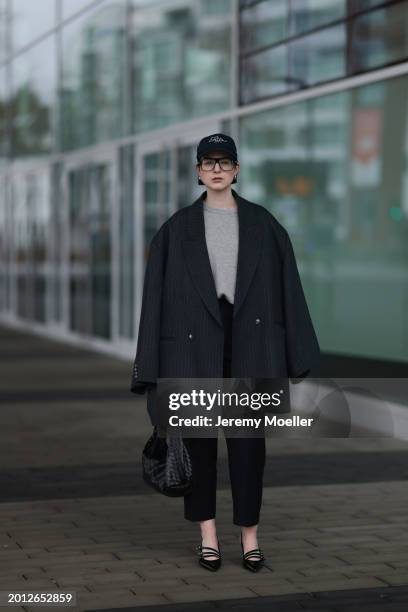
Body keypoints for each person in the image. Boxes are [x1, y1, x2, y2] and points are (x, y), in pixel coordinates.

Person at [130, 133, 321, 573]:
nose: (216, 169)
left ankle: (250, 538)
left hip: (251, 344)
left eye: (225, 162)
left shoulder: (265, 224)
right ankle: (208, 537)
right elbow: (153, 302)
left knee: (248, 446)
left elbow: (289, 289)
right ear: (198, 172)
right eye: (208, 162)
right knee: (197, 447)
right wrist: (148, 369)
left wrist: (298, 356)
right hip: (190, 348)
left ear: (237, 170)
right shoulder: (175, 230)